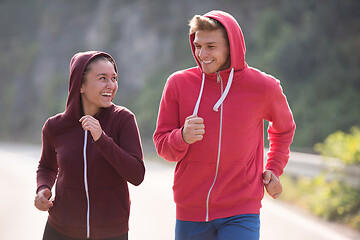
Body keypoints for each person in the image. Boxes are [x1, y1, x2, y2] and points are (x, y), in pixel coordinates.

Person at [153, 10, 295, 240]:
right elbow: (162, 145)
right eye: (198, 46)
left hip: (242, 209)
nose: (202, 54)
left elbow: (284, 128)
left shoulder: (263, 87)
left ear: (232, 46)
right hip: (191, 210)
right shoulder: (178, 84)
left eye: (211, 46)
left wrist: (274, 168)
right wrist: (182, 137)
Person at [34, 51, 145, 240]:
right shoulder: (55, 126)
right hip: (61, 229)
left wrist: (101, 138)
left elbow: (136, 175)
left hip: (111, 232)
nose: (111, 85)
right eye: (102, 78)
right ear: (81, 85)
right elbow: (47, 166)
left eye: (114, 78)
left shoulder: (123, 119)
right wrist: (43, 188)